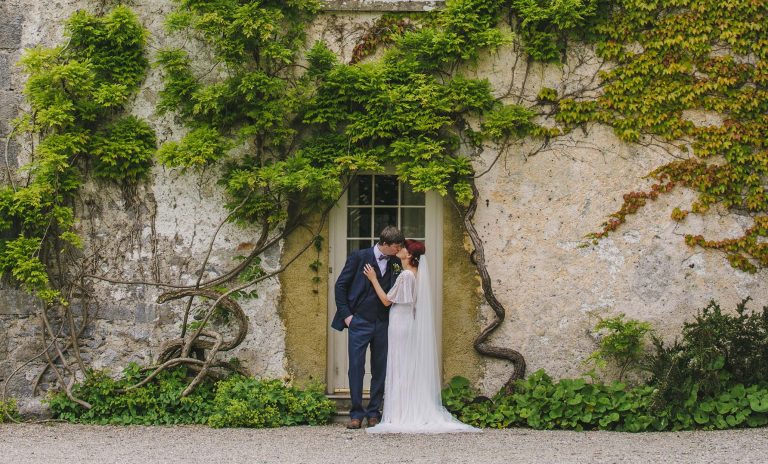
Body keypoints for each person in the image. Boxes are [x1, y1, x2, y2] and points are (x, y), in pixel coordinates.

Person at [362, 239, 480, 434]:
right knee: (405, 365)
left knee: (400, 366)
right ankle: (403, 409)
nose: (399, 249)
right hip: (407, 321)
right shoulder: (414, 274)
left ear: (409, 255)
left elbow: (385, 301)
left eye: (403, 248)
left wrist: (373, 278)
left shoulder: (406, 276)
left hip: (400, 323)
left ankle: (400, 414)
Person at [331, 226, 405, 429]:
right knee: (356, 367)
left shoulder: (396, 262)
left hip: (383, 323)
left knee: (380, 368)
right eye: (397, 246)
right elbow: (340, 285)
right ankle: (356, 414)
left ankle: (374, 412)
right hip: (359, 322)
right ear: (386, 244)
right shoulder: (358, 257)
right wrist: (347, 316)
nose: (399, 250)